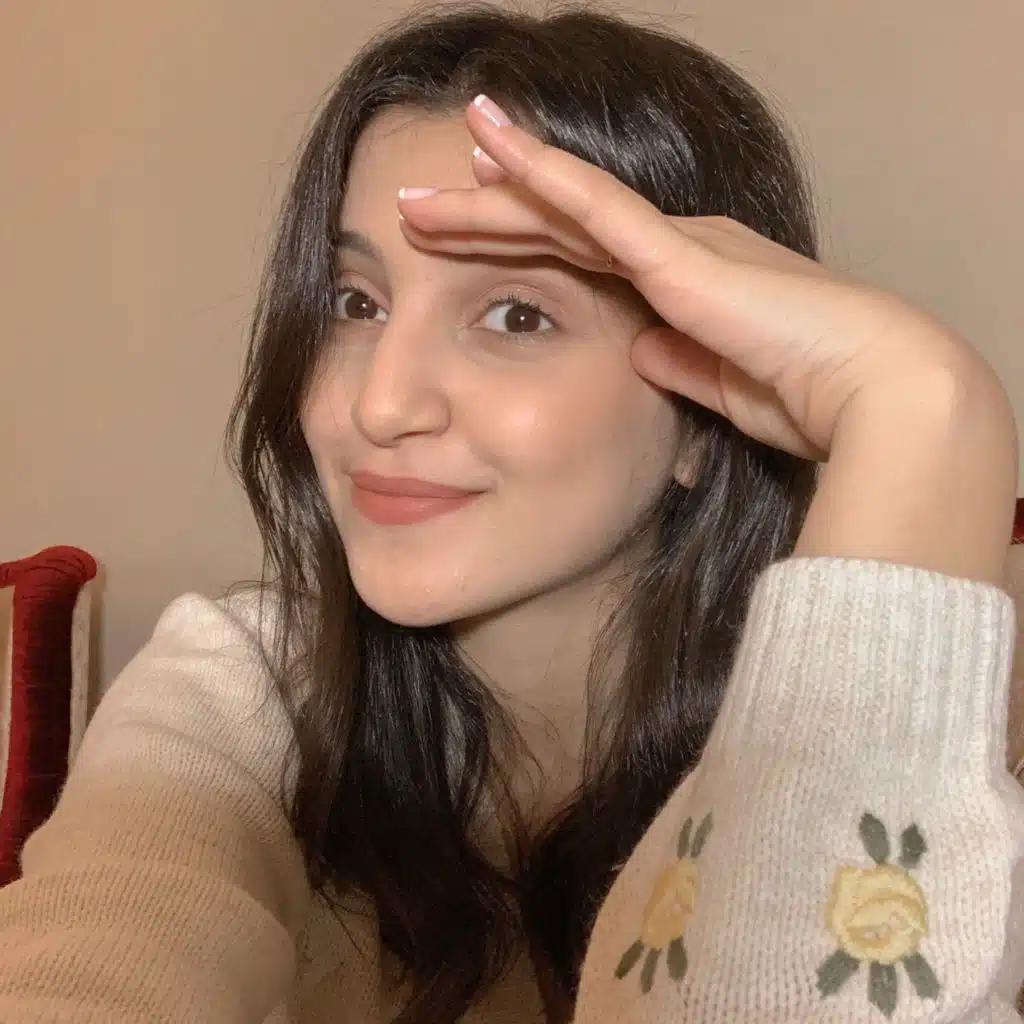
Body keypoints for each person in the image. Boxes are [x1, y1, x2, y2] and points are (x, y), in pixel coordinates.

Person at [0, 4, 1021, 1021]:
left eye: (517, 313)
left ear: (706, 417)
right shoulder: (237, 695)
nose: (379, 404)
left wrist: (923, 410)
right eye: (356, 302)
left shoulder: (935, 779)